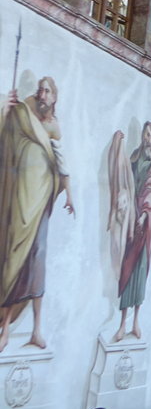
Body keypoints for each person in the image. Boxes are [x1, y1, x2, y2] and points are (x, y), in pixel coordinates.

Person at [0, 77, 74, 353]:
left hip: (41, 201)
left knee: (36, 261)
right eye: (40, 89)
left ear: (55, 97)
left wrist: (69, 194)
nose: (42, 94)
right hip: (19, 201)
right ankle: (5, 328)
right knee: (12, 258)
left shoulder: (53, 127)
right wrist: (5, 110)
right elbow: (5, 139)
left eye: (47, 90)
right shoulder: (22, 115)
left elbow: (62, 163)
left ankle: (36, 329)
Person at [113, 122, 151, 342]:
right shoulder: (134, 157)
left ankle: (136, 321)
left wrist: (144, 215)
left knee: (140, 271)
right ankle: (123, 322)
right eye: (146, 133)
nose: (147, 138)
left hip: (144, 221)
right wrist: (118, 144)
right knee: (127, 269)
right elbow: (124, 176)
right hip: (132, 219)